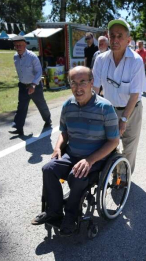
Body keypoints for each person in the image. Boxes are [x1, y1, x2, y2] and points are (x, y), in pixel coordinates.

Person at [30, 66, 119, 237]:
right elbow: (64, 132)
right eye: (73, 83)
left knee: (76, 175)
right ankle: (54, 211)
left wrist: (90, 160)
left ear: (91, 83)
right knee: (48, 169)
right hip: (71, 154)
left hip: (95, 158)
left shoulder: (105, 108)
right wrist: (57, 148)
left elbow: (113, 141)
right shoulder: (68, 105)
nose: (78, 88)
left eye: (83, 82)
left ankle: (71, 216)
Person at [93, 18, 146, 174]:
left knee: (129, 146)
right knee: (109, 144)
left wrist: (124, 119)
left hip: (132, 110)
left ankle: (124, 178)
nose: (115, 39)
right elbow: (95, 87)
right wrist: (92, 109)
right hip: (108, 110)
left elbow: (135, 94)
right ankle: (113, 172)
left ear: (128, 40)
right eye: (112, 35)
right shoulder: (101, 59)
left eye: (120, 36)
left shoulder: (136, 61)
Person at [9, 36, 51, 136]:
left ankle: (48, 120)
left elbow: (39, 72)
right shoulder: (15, 57)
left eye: (20, 45)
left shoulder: (32, 57)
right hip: (23, 86)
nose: (18, 47)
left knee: (41, 104)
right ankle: (19, 128)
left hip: (34, 86)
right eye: (16, 45)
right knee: (21, 107)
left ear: (25, 45)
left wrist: (33, 85)